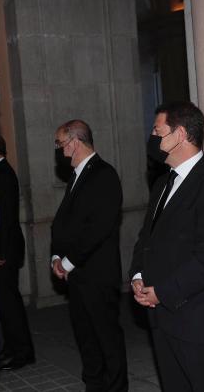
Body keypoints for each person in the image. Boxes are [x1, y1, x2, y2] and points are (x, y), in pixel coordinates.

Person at [130, 102, 204, 391]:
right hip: (161, 317)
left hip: (196, 321)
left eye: (157, 130)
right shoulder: (163, 183)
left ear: (179, 135)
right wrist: (138, 276)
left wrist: (161, 293)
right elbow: (146, 239)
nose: (152, 137)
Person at [51, 119, 128, 391]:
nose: (60, 151)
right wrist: (56, 257)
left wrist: (69, 262)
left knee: (107, 338)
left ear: (75, 141)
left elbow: (99, 227)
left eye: (61, 144)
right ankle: (94, 385)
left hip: (97, 274)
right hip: (79, 275)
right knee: (86, 338)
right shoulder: (78, 175)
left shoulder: (103, 174)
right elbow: (64, 223)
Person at [0, 134, 35, 371]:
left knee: (9, 304)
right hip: (5, 249)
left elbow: (5, 219)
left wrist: (0, 253)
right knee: (5, 304)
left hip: (6, 251)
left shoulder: (2, 174)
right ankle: (13, 348)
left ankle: (22, 352)